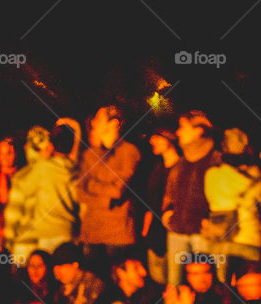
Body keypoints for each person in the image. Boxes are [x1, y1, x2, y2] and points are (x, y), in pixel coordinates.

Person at [75, 105, 142, 276]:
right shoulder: (90, 155)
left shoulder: (129, 152)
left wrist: (92, 186)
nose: (94, 122)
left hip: (117, 235)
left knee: (118, 285)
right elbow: (79, 192)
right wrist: (105, 196)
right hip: (91, 233)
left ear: (114, 123)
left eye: (99, 118)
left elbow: (118, 190)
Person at [3, 125, 79, 261]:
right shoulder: (77, 170)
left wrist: (9, 241)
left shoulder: (36, 171)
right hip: (67, 233)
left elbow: (14, 210)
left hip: (36, 239)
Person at [163, 111, 222, 285]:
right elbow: (169, 195)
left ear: (198, 131)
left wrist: (211, 223)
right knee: (174, 287)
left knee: (206, 285)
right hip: (176, 233)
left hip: (204, 237)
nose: (178, 132)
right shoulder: (180, 163)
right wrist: (167, 214)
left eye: (182, 127)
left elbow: (228, 200)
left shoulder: (218, 160)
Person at [202, 128, 261, 282]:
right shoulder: (256, 179)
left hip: (218, 239)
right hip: (249, 239)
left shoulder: (212, 175)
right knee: (250, 291)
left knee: (223, 289)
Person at [143, 129, 180, 284]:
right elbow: (151, 204)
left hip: (175, 235)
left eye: (157, 137)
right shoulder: (157, 168)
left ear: (169, 138)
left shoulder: (183, 168)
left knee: (175, 281)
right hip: (155, 235)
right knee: (158, 280)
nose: (152, 141)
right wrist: (145, 232)